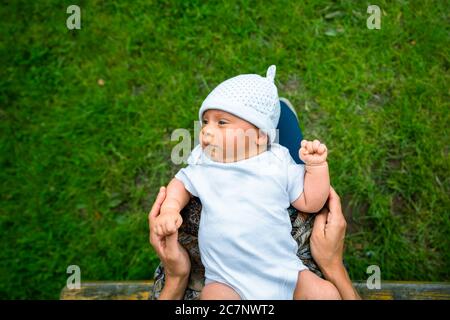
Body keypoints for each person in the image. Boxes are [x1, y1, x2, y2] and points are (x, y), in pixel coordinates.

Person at [148, 68, 360, 299]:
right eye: (205, 121)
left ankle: (280, 112)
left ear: (260, 136)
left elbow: (311, 202)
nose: (206, 131)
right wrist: (170, 208)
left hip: (284, 273)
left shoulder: (277, 161)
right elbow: (180, 183)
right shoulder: (205, 163)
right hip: (227, 281)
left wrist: (316, 168)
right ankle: (282, 114)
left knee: (324, 294)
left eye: (221, 122)